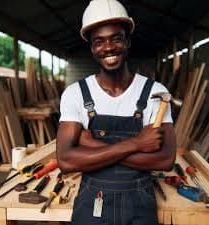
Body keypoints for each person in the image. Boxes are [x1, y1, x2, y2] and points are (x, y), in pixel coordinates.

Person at [57, 0, 176, 224]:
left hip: (140, 205)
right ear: (92, 48)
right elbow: (66, 160)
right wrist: (136, 144)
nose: (109, 47)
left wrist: (92, 148)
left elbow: (166, 160)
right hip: (92, 204)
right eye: (99, 42)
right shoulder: (75, 94)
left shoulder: (155, 93)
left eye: (116, 38)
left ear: (128, 41)